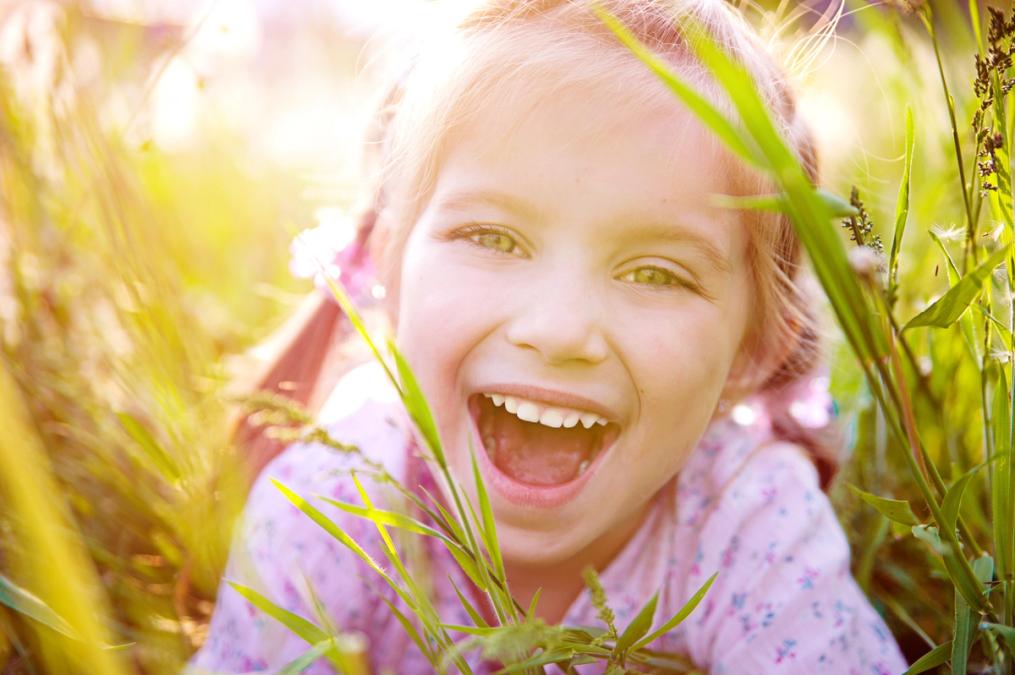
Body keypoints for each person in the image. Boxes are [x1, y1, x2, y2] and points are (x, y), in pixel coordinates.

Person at [189, 0, 908, 672]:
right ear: (389, 269)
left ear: (753, 351)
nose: (559, 329)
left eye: (656, 273)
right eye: (492, 237)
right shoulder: (336, 503)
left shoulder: (748, 524)